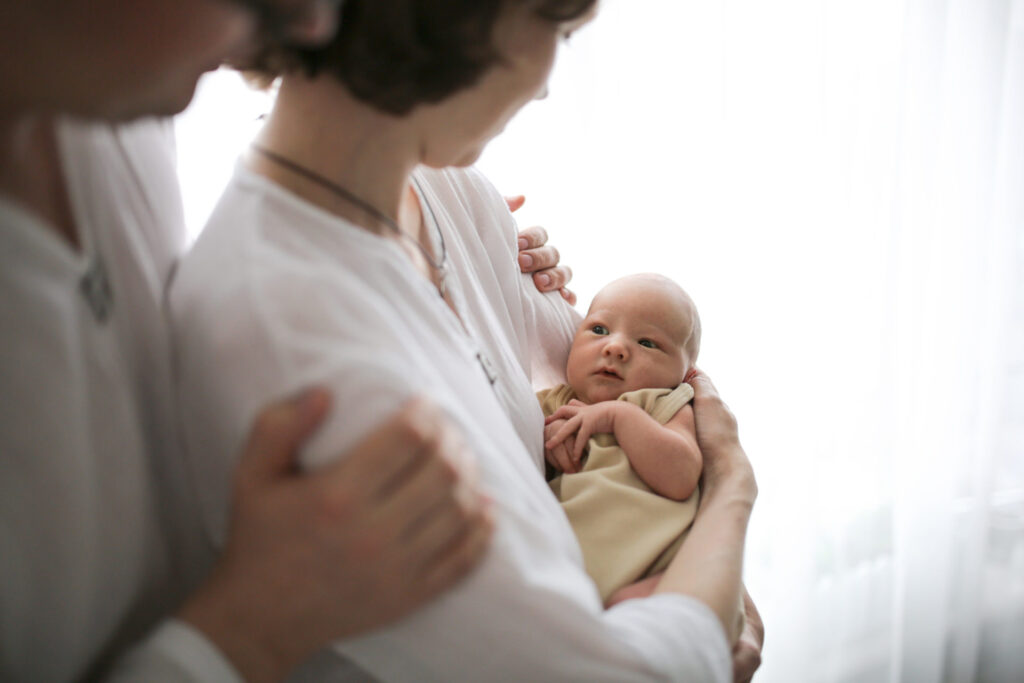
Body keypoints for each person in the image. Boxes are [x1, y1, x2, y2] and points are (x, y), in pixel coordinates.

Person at [0, 0, 599, 678]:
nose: (318, 23)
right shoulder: (284, 330)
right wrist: (250, 624)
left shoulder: (122, 97)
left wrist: (435, 273)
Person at [171, 0, 761, 679]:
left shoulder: (453, 195)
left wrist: (698, 569)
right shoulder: (290, 334)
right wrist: (732, 500)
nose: (543, 85)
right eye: (553, 30)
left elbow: (636, 380)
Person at [540, 273, 704, 603]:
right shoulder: (555, 403)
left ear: (685, 374)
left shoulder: (662, 404)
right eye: (599, 330)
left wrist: (619, 417)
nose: (615, 347)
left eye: (647, 343)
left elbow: (682, 476)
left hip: (656, 570)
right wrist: (547, 436)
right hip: (570, 569)